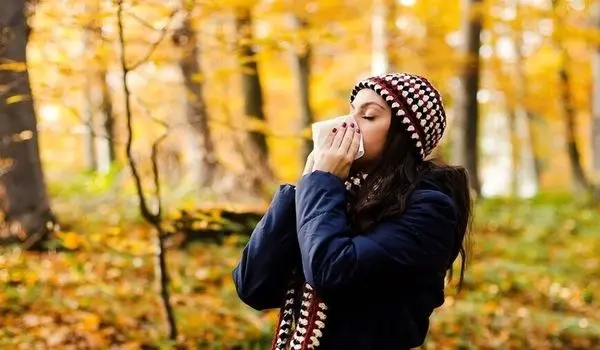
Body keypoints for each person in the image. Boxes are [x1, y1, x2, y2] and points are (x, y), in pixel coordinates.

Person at [232, 72, 472, 350]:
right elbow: (253, 287)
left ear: (404, 136)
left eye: (368, 116)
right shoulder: (336, 196)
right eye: (351, 112)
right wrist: (305, 185)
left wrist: (322, 184)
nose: (348, 124)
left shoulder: (430, 210)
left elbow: (332, 270)